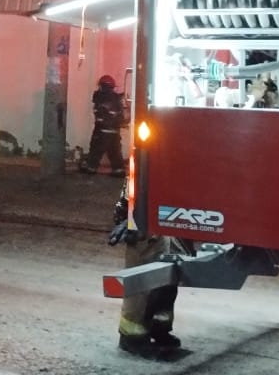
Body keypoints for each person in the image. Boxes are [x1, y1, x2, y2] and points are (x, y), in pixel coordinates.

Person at [109, 190, 182, 358]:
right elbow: (133, 186)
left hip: (167, 215)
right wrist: (133, 218)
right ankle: (132, 337)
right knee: (143, 277)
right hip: (146, 221)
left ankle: (159, 326)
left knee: (168, 275)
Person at [80, 74, 126, 175]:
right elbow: (121, 117)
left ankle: (91, 168)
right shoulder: (117, 99)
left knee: (96, 150)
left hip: (101, 131)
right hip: (114, 131)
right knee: (115, 152)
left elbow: (99, 115)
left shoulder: (100, 97)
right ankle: (118, 170)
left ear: (101, 85)